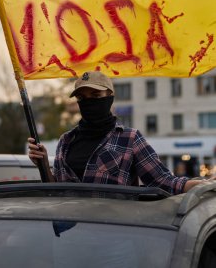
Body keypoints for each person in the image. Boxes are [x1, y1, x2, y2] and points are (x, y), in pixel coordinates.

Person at [28, 71, 216, 194]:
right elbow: (55, 191)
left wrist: (204, 185)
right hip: (68, 238)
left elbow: (163, 181)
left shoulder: (130, 139)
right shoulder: (66, 141)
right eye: (81, 97)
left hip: (115, 239)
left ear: (109, 97)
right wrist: (43, 164)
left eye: (95, 96)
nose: (88, 102)